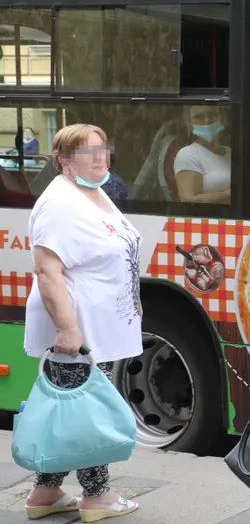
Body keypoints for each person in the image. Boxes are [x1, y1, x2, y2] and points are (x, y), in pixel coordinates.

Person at [24, 124, 143, 521]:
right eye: (86, 152)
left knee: (71, 409)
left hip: (100, 327)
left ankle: (46, 492)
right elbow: (47, 271)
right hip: (79, 330)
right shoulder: (60, 202)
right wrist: (67, 329)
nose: (98, 158)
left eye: (102, 150)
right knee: (88, 410)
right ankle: (98, 497)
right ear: (63, 160)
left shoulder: (91, 194)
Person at [174, 106, 231, 204]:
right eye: (198, 117)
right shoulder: (187, 155)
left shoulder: (230, 152)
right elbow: (189, 200)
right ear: (189, 123)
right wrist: (232, 194)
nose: (207, 120)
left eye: (212, 114)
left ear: (221, 118)